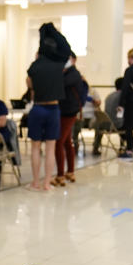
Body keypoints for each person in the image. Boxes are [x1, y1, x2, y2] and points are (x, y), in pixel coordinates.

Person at [26, 23, 70, 191]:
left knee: (35, 147)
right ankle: (46, 183)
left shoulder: (34, 66)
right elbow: (66, 47)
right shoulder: (58, 64)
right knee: (51, 148)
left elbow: (30, 85)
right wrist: (53, 31)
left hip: (37, 108)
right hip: (53, 109)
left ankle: (36, 182)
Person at [52, 53, 83, 186]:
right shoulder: (70, 73)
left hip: (68, 112)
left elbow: (60, 85)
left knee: (59, 142)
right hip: (67, 111)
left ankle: (60, 175)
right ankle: (70, 172)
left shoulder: (73, 74)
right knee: (66, 142)